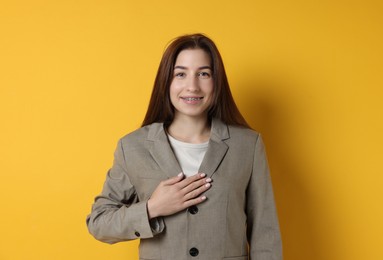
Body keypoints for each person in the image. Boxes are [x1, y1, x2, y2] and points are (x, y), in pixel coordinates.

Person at [86, 33, 282, 259]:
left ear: (216, 81)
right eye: (180, 74)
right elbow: (99, 222)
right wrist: (153, 208)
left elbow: (265, 233)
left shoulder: (247, 145)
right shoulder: (132, 147)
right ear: (166, 82)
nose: (192, 86)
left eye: (204, 74)